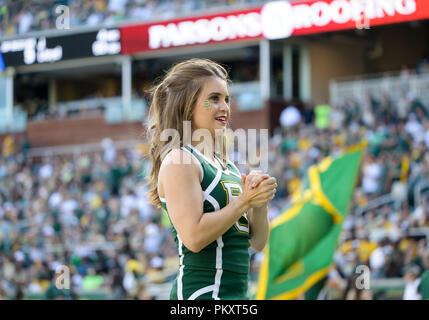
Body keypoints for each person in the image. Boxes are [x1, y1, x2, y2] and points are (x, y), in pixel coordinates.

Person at [146, 58, 277, 300]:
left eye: (226, 99)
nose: (225, 107)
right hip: (201, 294)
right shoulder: (179, 159)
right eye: (214, 98)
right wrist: (244, 202)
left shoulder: (226, 165)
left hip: (236, 295)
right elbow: (194, 238)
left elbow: (257, 243)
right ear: (187, 104)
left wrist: (259, 203)